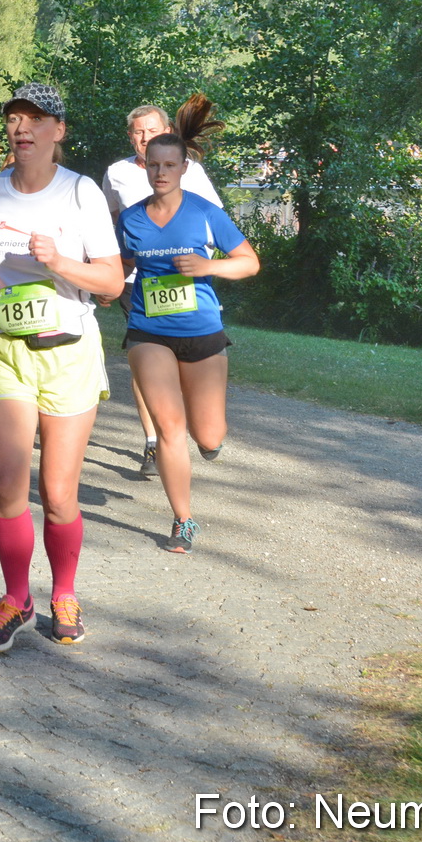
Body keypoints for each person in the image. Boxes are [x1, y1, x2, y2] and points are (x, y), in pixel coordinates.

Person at [0, 83, 124, 652]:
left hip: (68, 354)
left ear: (59, 131)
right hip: (6, 348)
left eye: (35, 119)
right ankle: (15, 597)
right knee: (8, 485)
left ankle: (64, 591)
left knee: (57, 492)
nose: (21, 127)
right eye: (13, 118)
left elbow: (110, 282)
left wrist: (62, 264)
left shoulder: (80, 194)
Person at [118, 94, 261, 557]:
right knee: (168, 427)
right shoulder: (131, 220)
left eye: (169, 165)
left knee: (209, 435)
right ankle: (183, 519)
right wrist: (102, 287)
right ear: (144, 167)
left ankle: (211, 441)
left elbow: (249, 263)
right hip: (148, 329)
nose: (160, 172)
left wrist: (208, 268)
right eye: (153, 164)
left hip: (201, 330)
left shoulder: (204, 212)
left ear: (183, 168)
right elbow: (116, 268)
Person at [100, 103, 224, 479]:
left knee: (185, 368)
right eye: (137, 132)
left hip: (187, 281)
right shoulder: (116, 173)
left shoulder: (192, 170)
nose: (144, 138)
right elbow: (108, 220)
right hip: (136, 283)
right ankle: (154, 440)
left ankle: (200, 425)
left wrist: (201, 260)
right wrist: (110, 273)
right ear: (129, 136)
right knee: (145, 361)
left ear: (166, 129)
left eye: (151, 130)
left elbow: (213, 219)